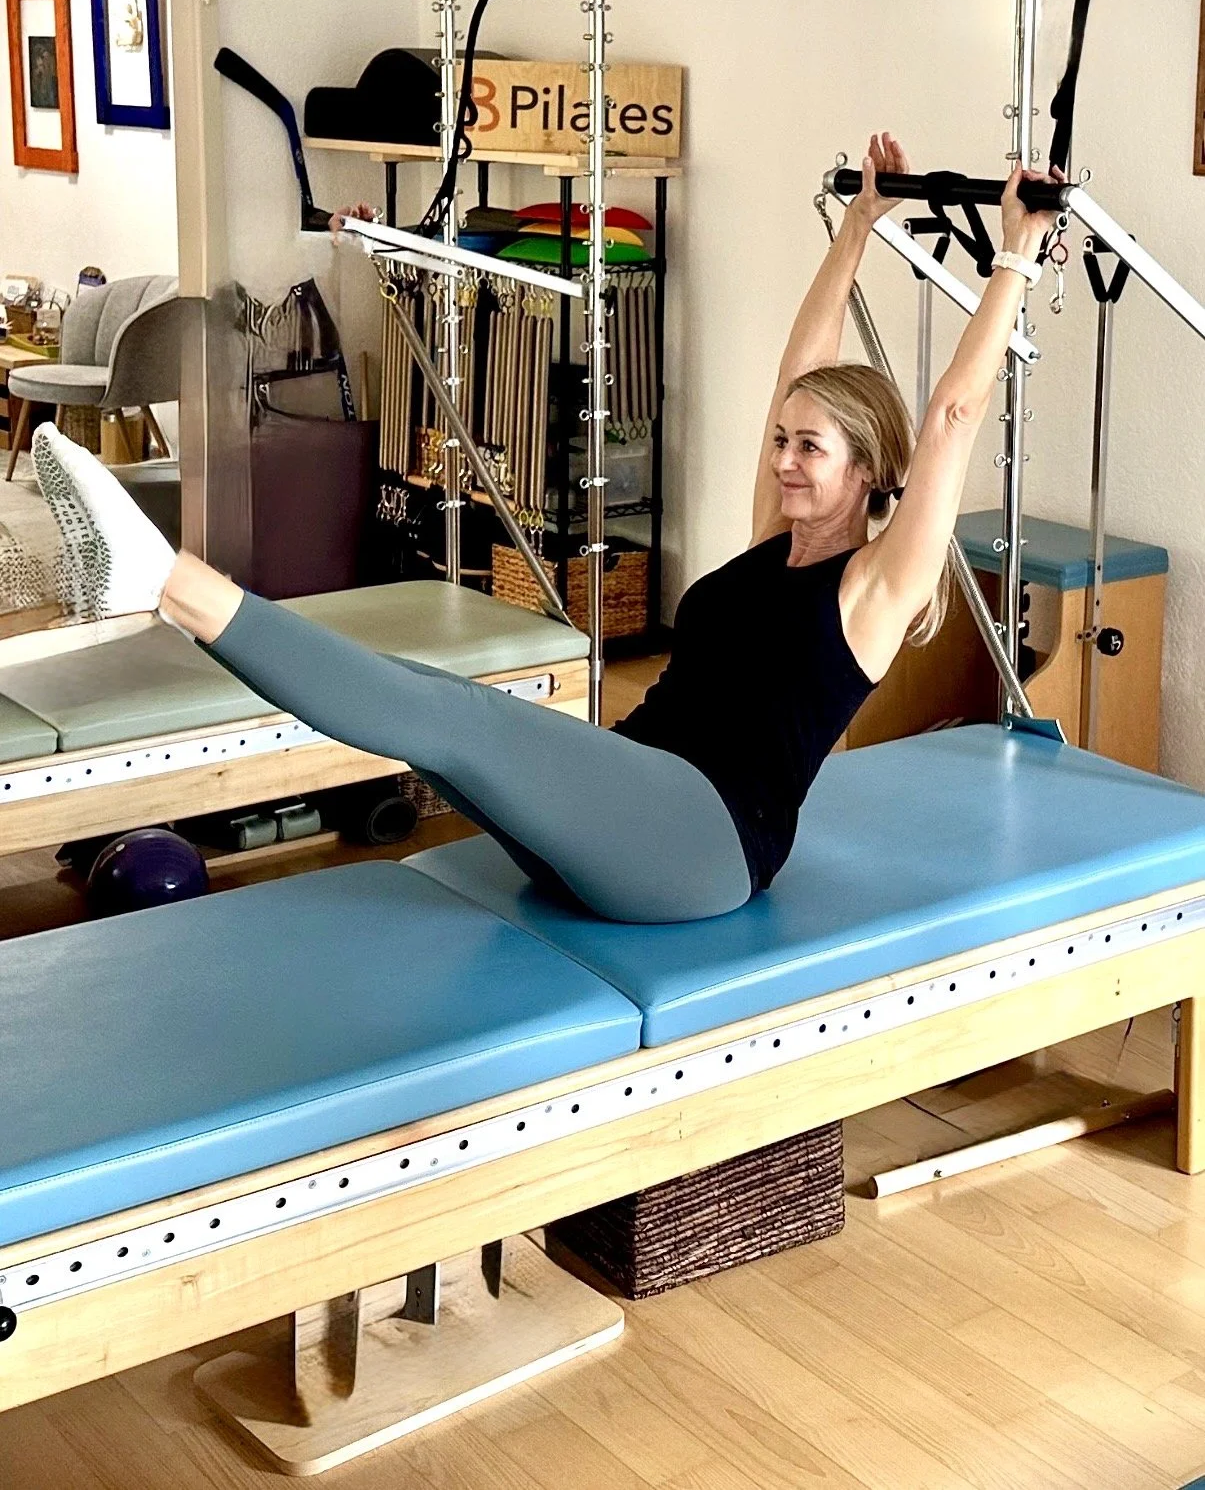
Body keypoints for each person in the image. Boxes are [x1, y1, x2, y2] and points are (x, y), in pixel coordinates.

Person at [33, 134, 1057, 925]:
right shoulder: (767, 539)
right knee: (435, 703)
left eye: (811, 449)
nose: (784, 458)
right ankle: (167, 594)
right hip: (625, 802)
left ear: (869, 472)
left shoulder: (876, 588)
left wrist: (1014, 254)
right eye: (782, 440)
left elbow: (952, 415)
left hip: (696, 843)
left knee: (457, 723)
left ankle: (166, 580)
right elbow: (799, 365)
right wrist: (855, 227)